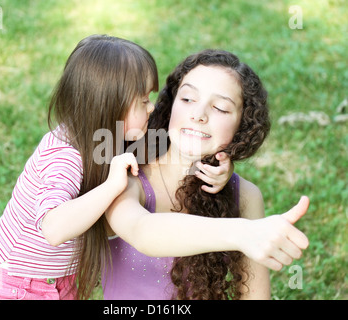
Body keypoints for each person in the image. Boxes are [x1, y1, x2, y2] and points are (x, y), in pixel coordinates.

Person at [0, 35, 232, 300]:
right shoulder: (64, 155)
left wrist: (218, 171)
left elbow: (175, 151)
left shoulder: (112, 135)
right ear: (111, 106)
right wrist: (110, 187)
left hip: (58, 279)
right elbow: (53, 229)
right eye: (142, 101)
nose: (152, 107)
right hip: (14, 282)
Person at [102, 49, 310, 299]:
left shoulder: (245, 195)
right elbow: (141, 230)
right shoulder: (127, 176)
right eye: (188, 99)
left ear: (242, 126)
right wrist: (242, 233)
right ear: (169, 105)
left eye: (221, 108)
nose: (198, 115)